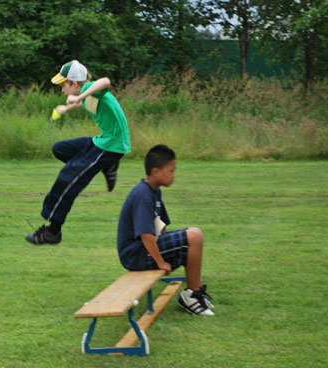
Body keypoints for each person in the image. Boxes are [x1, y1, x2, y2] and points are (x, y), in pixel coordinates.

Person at [26, 60, 130, 245]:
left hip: (111, 146)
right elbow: (90, 102)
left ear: (74, 83)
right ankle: (106, 166)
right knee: (60, 149)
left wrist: (79, 97)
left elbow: (105, 81)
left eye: (63, 85)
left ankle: (53, 231)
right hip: (103, 140)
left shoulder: (90, 88)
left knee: (68, 177)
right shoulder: (89, 94)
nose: (61, 90)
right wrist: (67, 108)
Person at [116, 145, 215, 315]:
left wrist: (169, 247)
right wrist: (161, 261)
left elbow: (160, 226)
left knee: (189, 244)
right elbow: (146, 235)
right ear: (155, 172)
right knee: (195, 235)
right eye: (171, 171)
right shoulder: (143, 195)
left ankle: (194, 293)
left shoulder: (154, 192)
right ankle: (191, 296)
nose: (174, 175)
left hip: (143, 250)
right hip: (135, 255)